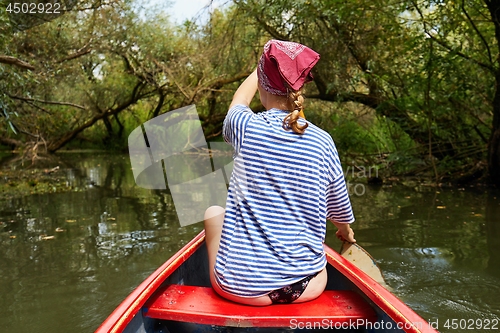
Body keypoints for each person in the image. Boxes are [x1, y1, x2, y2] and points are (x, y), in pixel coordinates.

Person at [204, 40, 356, 306]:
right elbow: (337, 210)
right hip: (304, 288)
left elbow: (239, 100)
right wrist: (345, 231)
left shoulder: (245, 126)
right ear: (299, 87)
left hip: (240, 288)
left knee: (213, 213)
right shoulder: (323, 141)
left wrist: (260, 67)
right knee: (316, 248)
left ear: (262, 83)